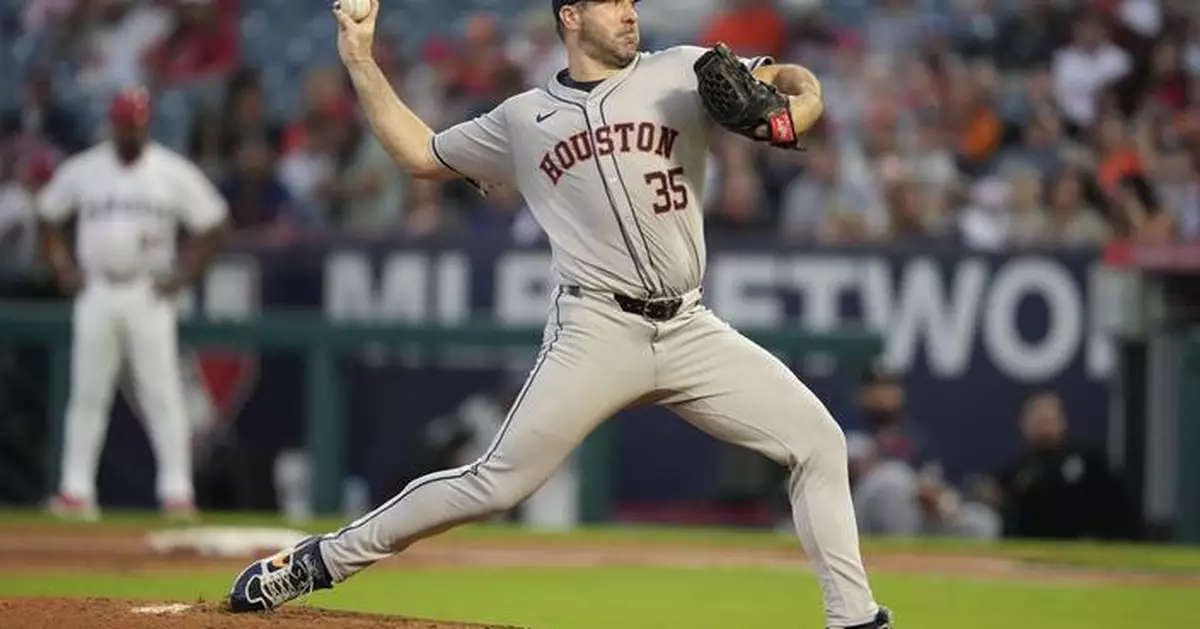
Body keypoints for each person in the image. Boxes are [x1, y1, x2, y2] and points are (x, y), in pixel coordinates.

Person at [227, 2, 892, 627]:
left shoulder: (680, 70)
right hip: (596, 330)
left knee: (818, 441)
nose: (629, 11)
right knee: (495, 483)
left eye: (631, 1)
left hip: (689, 326)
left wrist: (806, 95)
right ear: (571, 15)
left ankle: (854, 616)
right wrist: (360, 58)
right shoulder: (523, 118)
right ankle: (320, 560)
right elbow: (420, 154)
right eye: (609, 2)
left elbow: (782, 89)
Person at [37, 86, 229, 522]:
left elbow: (214, 221)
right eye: (125, 122)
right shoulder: (86, 170)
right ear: (113, 124)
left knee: (162, 394)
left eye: (137, 122)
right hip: (98, 289)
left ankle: (178, 493)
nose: (131, 129)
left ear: (147, 123)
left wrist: (184, 275)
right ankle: (75, 492)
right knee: (88, 395)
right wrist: (62, 267)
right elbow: (48, 214)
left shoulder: (169, 171)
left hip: (148, 291)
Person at [988, 391, 1141, 540]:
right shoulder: (1017, 469)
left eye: (1049, 419)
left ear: (1062, 420)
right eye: (1038, 420)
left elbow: (1119, 502)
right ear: (1024, 424)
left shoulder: (1087, 459)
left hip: (1086, 543)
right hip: (1035, 543)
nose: (1044, 426)